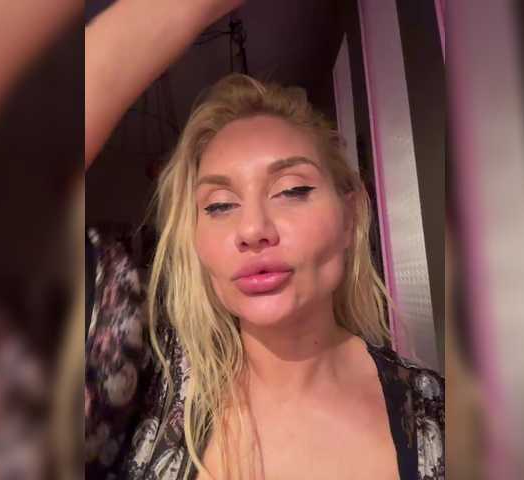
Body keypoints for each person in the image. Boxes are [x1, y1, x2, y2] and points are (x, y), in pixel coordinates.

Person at [85, 0, 444, 479]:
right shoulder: (144, 383)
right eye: (219, 205)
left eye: (291, 191)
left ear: (351, 214)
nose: (253, 229)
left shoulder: (439, 422)